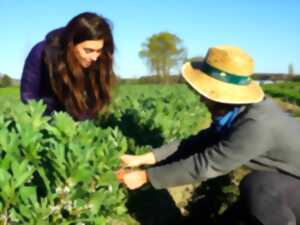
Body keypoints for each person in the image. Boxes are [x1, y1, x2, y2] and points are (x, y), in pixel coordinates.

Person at [118, 45, 300, 225]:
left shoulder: (257, 124)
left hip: (286, 184)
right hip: (290, 180)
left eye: (203, 93)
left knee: (258, 186)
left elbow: (207, 164)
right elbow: (201, 142)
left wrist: (145, 177)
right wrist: (145, 158)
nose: (200, 97)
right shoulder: (237, 112)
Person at [20, 12, 115, 120]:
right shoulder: (40, 52)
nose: (95, 57)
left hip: (78, 117)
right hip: (44, 118)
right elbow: (29, 95)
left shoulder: (100, 59)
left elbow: (92, 101)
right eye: (88, 50)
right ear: (71, 44)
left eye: (99, 50)